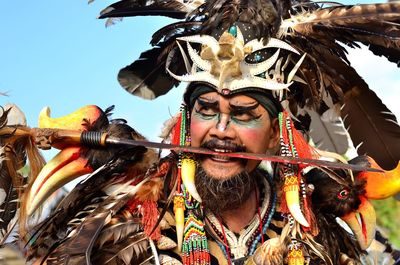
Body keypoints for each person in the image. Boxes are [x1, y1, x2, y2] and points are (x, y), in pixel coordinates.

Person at [1, 0, 400, 265]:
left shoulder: (320, 236)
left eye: (244, 114)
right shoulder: (123, 216)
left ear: (278, 132)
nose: (220, 130)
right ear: (185, 119)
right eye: (207, 110)